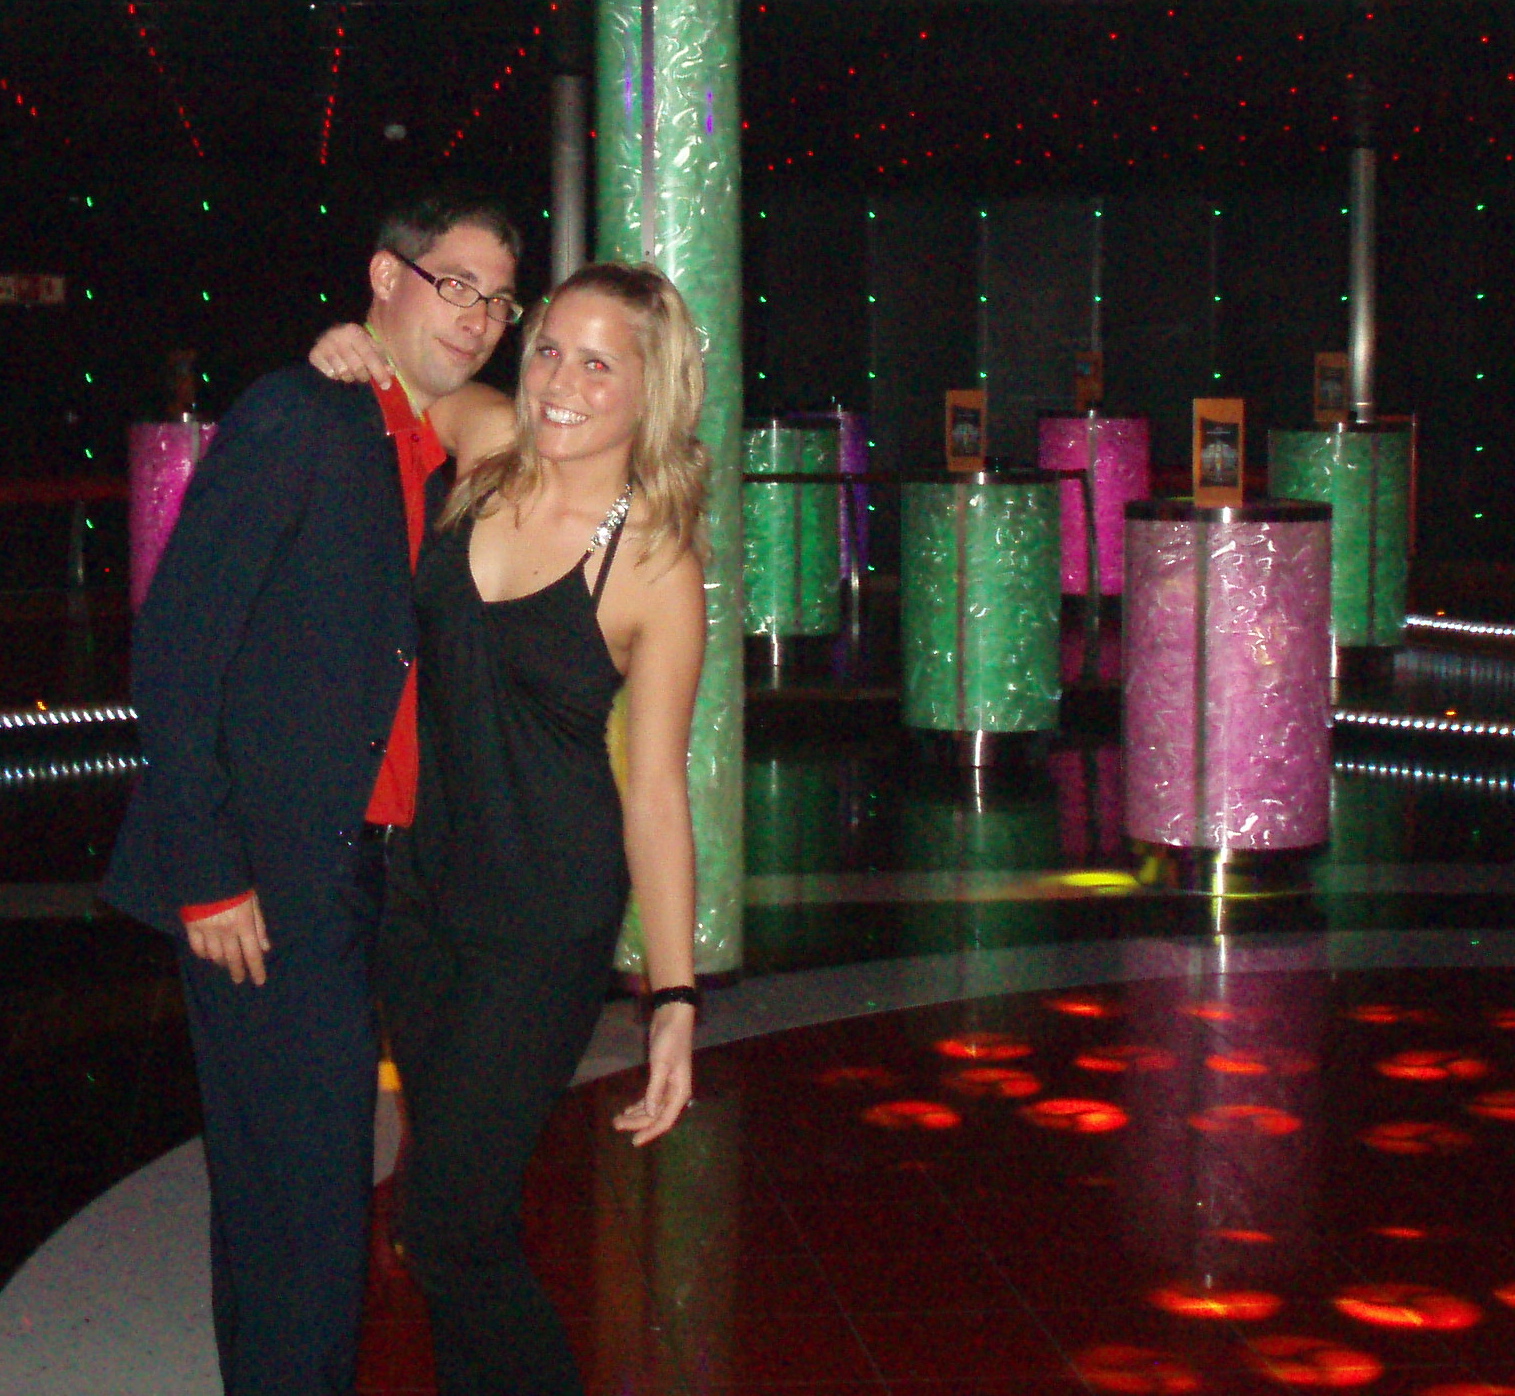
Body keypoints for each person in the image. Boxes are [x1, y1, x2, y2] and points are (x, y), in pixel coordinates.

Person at [103, 186, 522, 1396]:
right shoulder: (302, 414)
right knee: (311, 1203)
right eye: (455, 284)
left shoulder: (421, 439)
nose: (478, 315)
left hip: (359, 871)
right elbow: (177, 646)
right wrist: (209, 873)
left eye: (499, 299)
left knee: (285, 1192)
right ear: (386, 277)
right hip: (269, 877)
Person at [309, 262, 706, 1395]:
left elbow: (655, 792)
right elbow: (403, 381)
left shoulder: (655, 564)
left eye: (598, 364)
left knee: (443, 1227)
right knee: (458, 1218)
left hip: (543, 919)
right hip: (420, 896)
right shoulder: (486, 449)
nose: (558, 383)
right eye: (548, 351)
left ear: (652, 389)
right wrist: (349, 346)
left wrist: (673, 998)